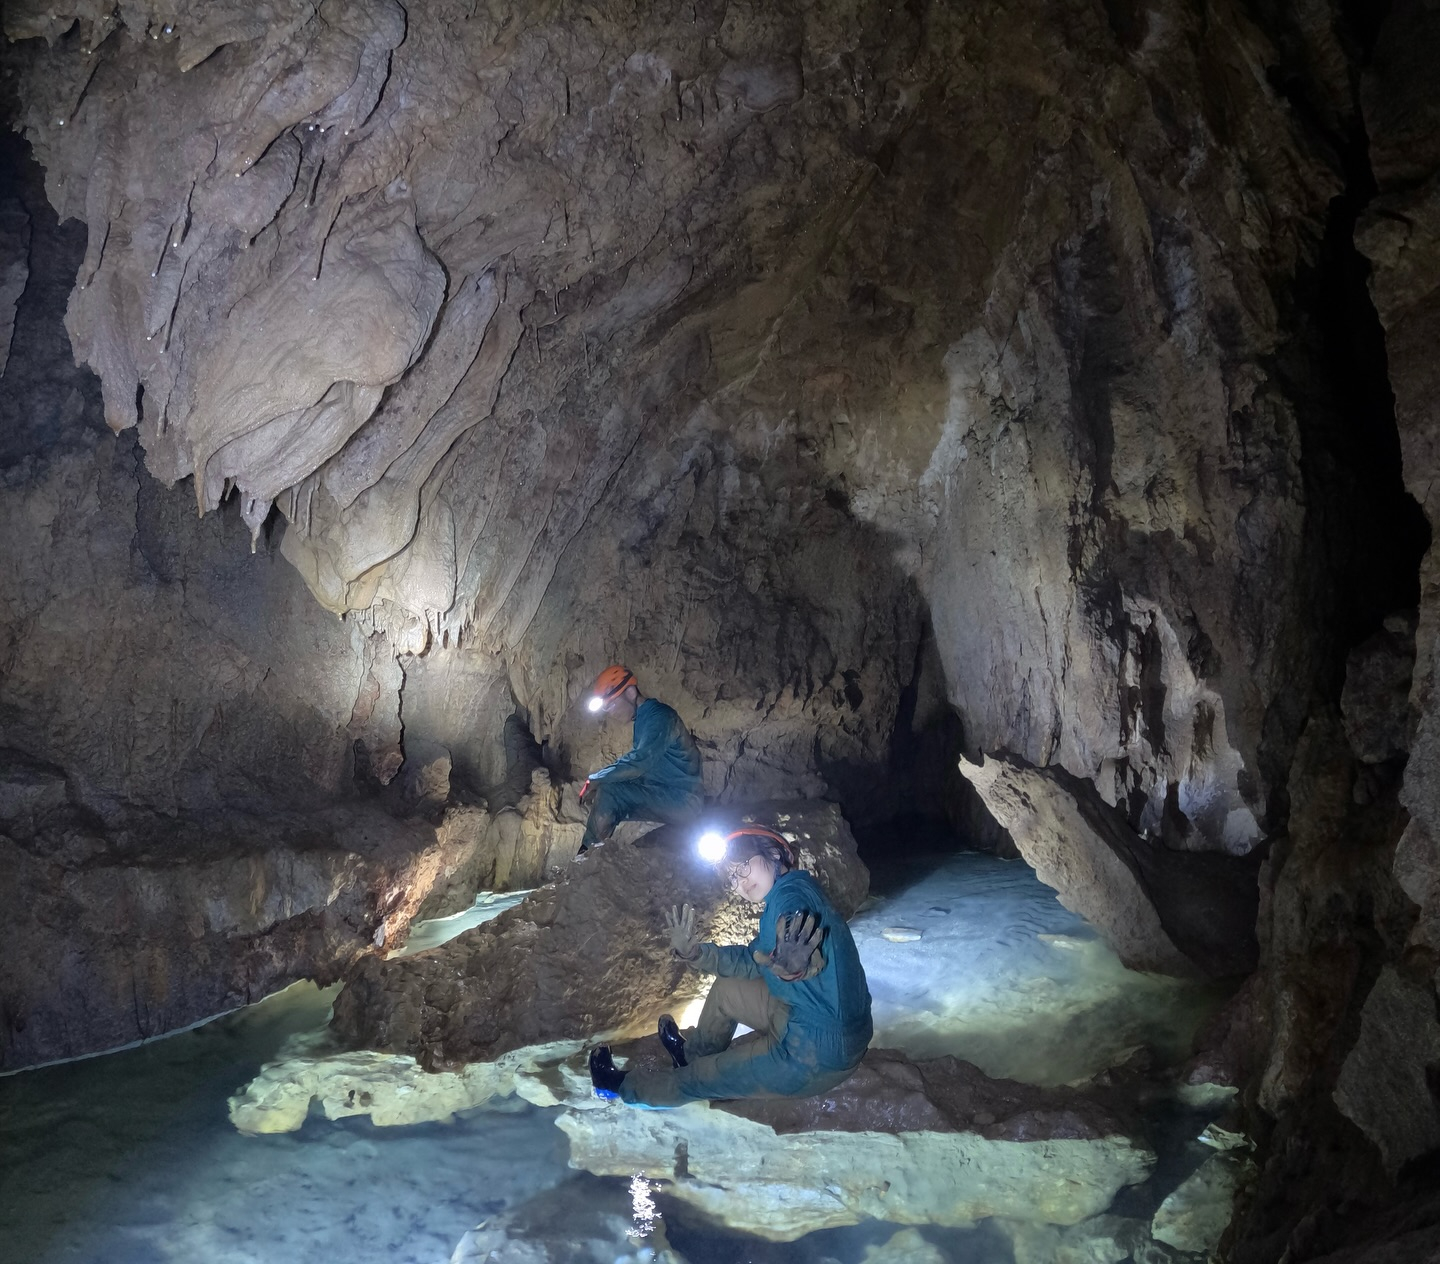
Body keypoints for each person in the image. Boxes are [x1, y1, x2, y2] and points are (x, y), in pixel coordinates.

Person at [588, 828, 873, 1106]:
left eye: (743, 866)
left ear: (774, 854)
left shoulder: (792, 897)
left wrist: (793, 968)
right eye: (732, 877)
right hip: (802, 1015)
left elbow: (796, 924)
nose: (739, 881)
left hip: (813, 1054)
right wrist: (695, 953)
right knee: (728, 989)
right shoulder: (785, 893)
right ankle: (692, 1053)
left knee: (699, 1080)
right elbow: (751, 960)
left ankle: (617, 1087)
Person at [578, 665, 703, 853]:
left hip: (683, 800)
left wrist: (597, 778)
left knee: (612, 793)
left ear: (630, 692)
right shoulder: (644, 720)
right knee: (611, 792)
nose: (610, 712)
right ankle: (593, 855)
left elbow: (639, 762)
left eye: (611, 704)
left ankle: (585, 857)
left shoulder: (660, 716)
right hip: (665, 793)